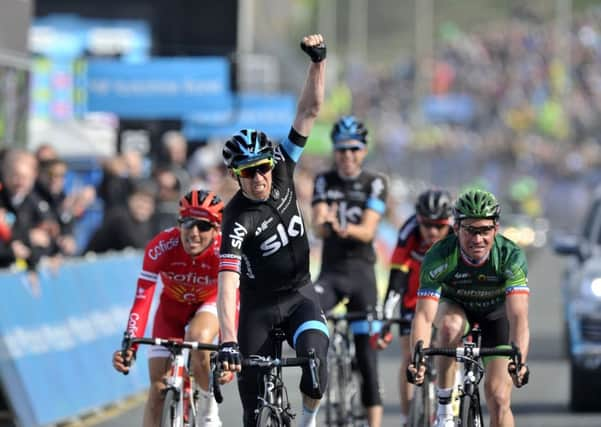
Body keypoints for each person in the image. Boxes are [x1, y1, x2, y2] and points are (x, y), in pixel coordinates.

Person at [217, 34, 328, 427]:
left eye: (262, 167)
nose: (260, 177)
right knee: (250, 408)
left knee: (315, 372)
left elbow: (310, 110)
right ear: (236, 176)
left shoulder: (282, 166)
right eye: (248, 173)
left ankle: (307, 422)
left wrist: (317, 62)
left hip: (299, 295)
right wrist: (228, 338)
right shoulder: (235, 218)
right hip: (258, 308)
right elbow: (227, 282)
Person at [408, 189, 530, 427]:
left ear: (496, 228)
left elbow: (518, 316)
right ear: (456, 229)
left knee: (499, 398)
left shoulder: (510, 256)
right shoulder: (440, 255)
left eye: (485, 230)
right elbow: (423, 315)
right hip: (456, 306)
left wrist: (520, 361)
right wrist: (418, 359)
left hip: (496, 315)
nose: (478, 239)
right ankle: (444, 409)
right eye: (471, 231)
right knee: (449, 326)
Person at [112, 189, 230, 427]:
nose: (194, 233)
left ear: (216, 229)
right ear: (179, 224)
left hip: (209, 303)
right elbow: (143, 297)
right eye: (188, 224)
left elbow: (233, 297)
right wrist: (130, 344)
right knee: (157, 390)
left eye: (203, 226)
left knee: (197, 337)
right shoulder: (162, 246)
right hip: (172, 309)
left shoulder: (224, 250)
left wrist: (230, 345)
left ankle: (208, 410)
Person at [311, 115, 389, 426]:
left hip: (362, 276)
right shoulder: (323, 180)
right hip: (331, 273)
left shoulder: (375, 182)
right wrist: (325, 223)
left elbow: (368, 231)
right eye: (341, 150)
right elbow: (318, 226)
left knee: (368, 362)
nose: (347, 156)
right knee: (309, 319)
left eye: (354, 150)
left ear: (364, 151)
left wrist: (340, 226)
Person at [374, 189, 453, 426]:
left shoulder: (458, 235)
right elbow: (396, 278)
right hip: (415, 298)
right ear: (418, 220)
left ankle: (451, 400)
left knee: (449, 347)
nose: (432, 232)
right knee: (410, 357)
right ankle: (408, 418)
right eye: (426, 225)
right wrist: (387, 318)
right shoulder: (408, 232)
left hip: (449, 297)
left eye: (439, 226)